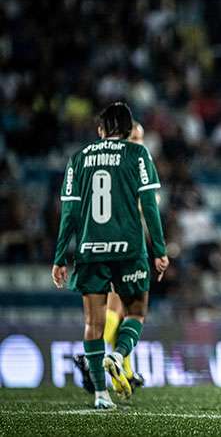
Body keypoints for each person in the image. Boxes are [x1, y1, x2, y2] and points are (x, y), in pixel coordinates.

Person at [52, 103, 168, 409]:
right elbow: (150, 208)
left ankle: (101, 393)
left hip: (90, 248)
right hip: (128, 247)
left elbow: (69, 211)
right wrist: (160, 249)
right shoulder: (136, 156)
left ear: (100, 130)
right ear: (129, 131)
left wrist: (60, 255)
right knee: (135, 311)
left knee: (93, 321)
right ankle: (118, 357)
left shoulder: (78, 158)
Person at [73, 121, 148, 395]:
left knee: (119, 310)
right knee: (124, 309)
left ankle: (124, 371)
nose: (140, 142)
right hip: (122, 246)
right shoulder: (131, 163)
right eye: (136, 137)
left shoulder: (108, 162)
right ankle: (91, 358)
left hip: (104, 243)